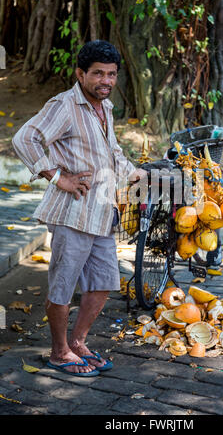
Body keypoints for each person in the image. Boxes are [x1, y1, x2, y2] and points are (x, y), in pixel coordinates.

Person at [12, 40, 147, 376]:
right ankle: (59, 352)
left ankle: (78, 342)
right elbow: (23, 138)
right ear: (80, 74)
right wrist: (58, 176)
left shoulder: (105, 108)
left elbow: (112, 153)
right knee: (63, 285)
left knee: (103, 282)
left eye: (112, 74)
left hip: (102, 214)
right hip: (72, 213)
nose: (106, 80)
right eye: (98, 73)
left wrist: (137, 175)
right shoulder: (65, 105)